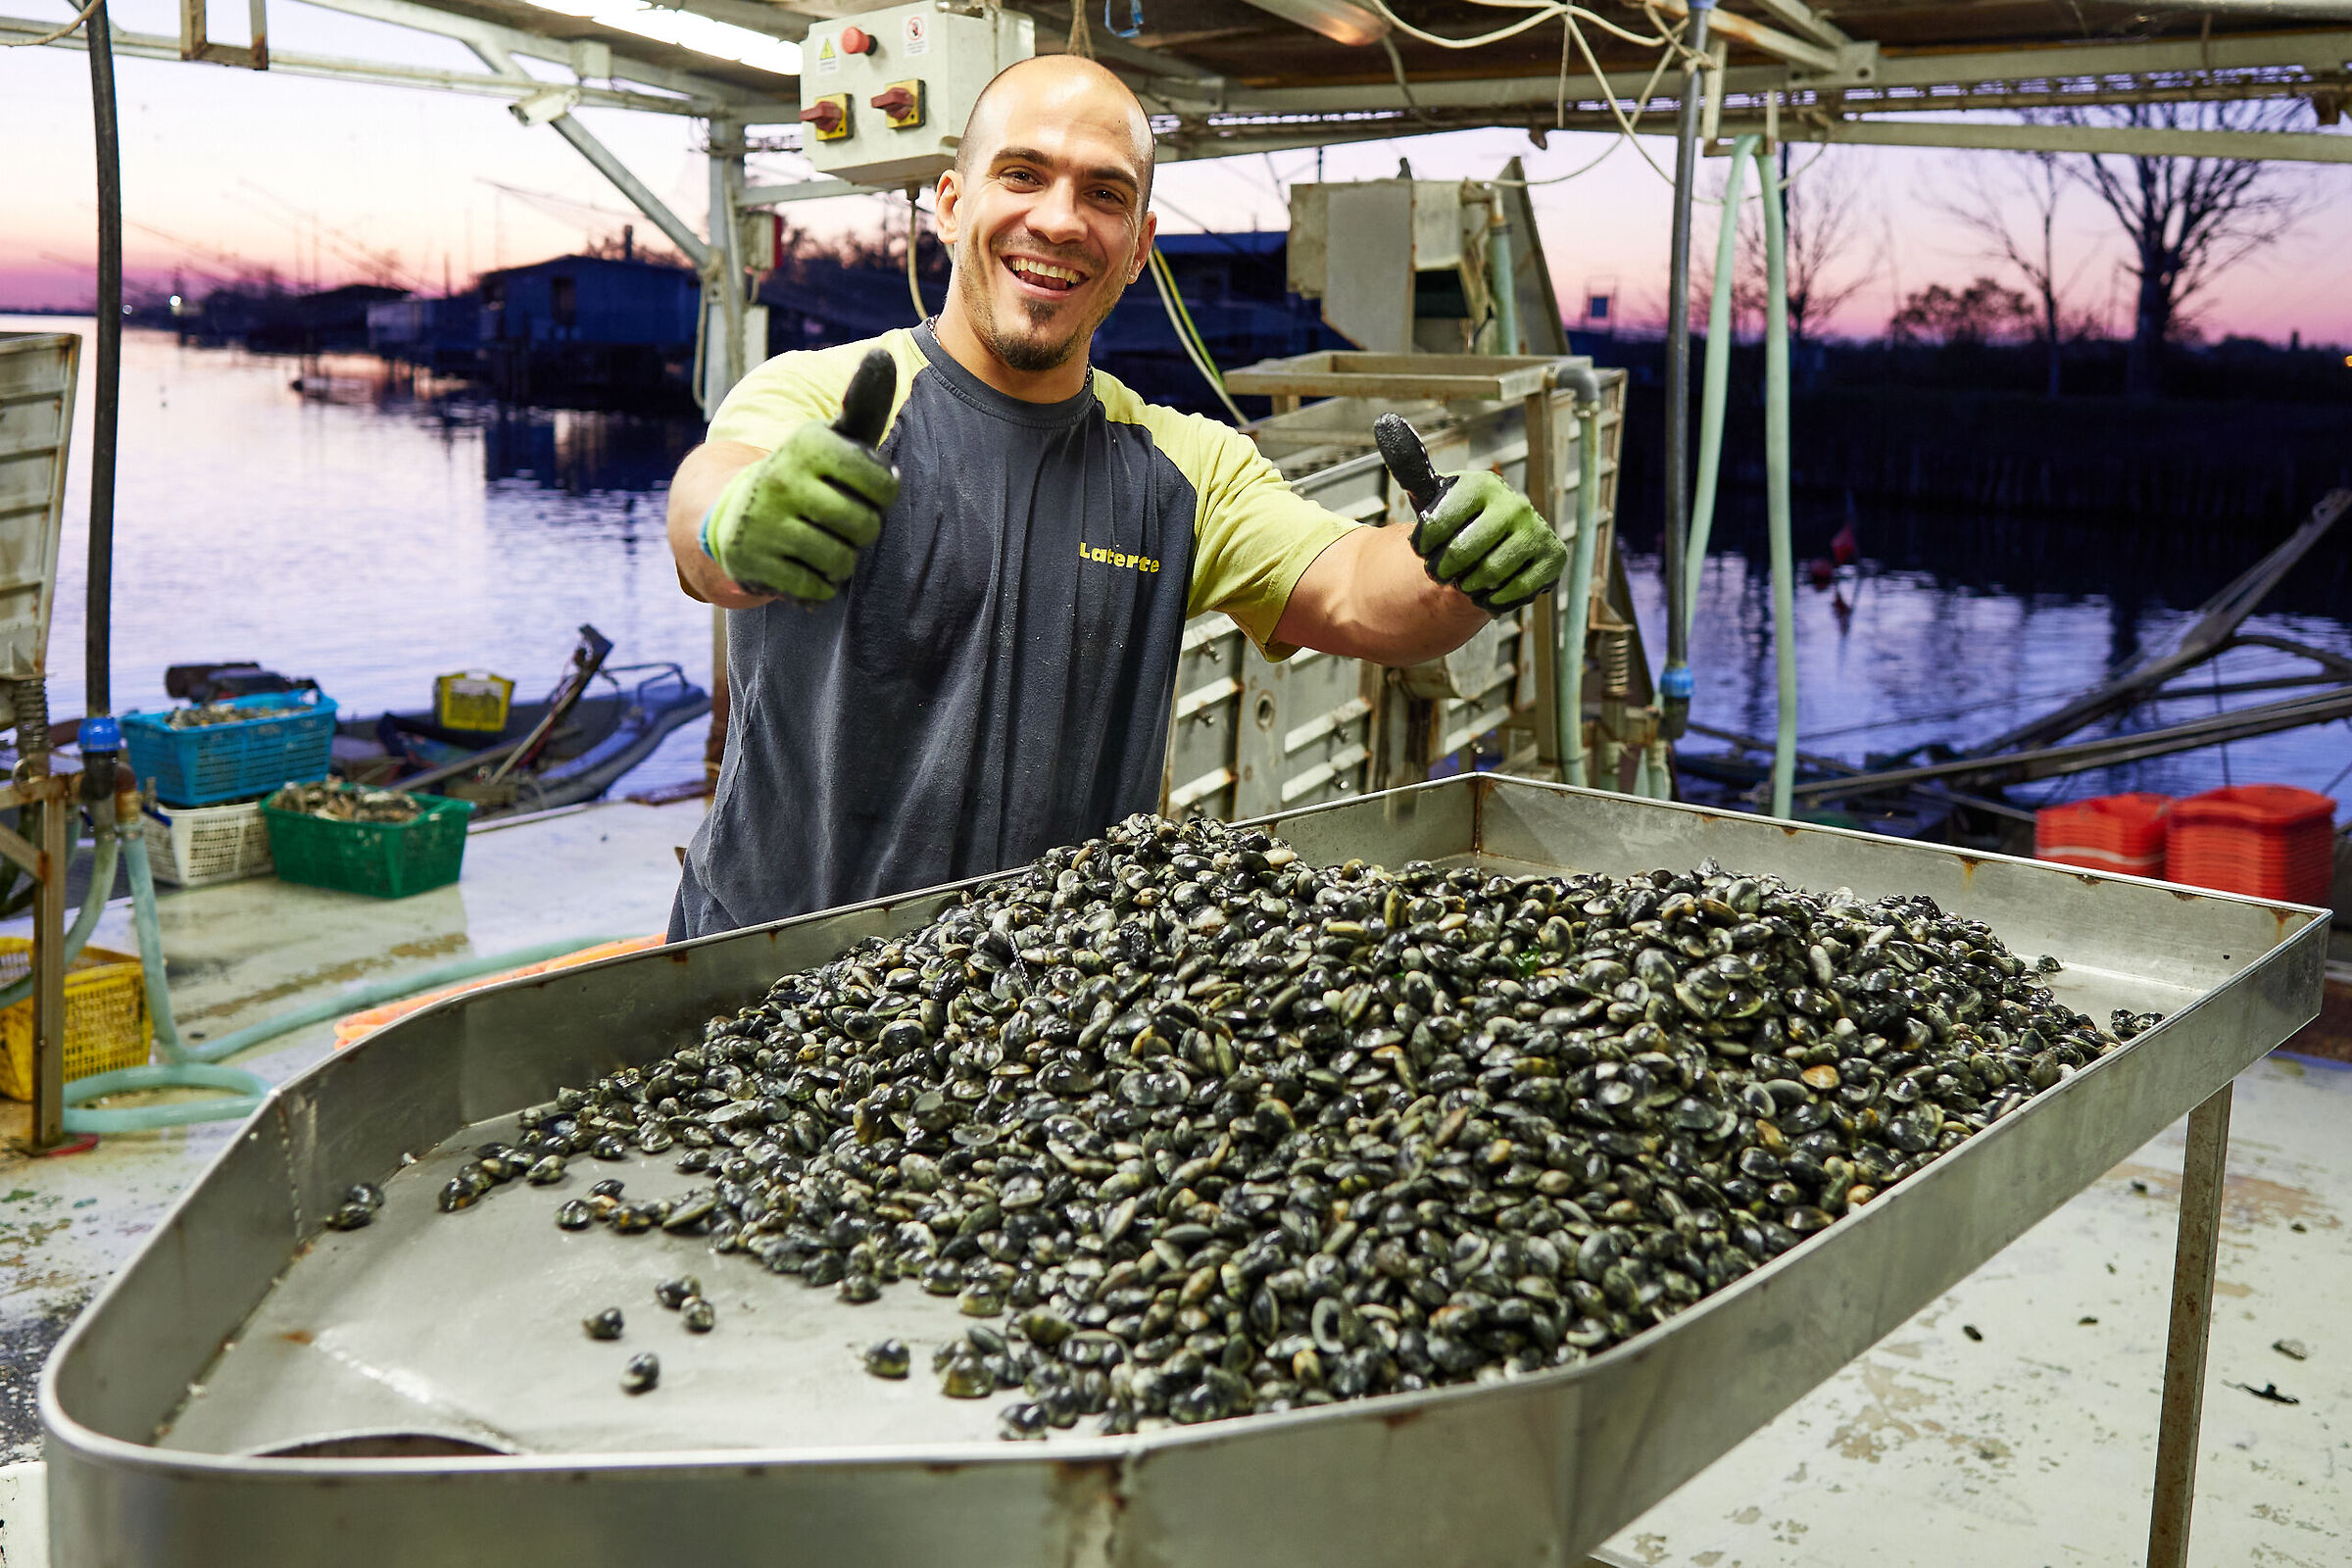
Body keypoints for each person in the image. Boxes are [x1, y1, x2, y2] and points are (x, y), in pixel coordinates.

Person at [663, 54, 1565, 940]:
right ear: (950, 203)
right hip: (762, 972)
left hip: (1041, 1008)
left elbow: (1361, 592)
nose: (1058, 221)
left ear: (1139, 248)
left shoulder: (1184, 465)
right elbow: (711, 507)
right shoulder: (826, 397)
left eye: (1104, 194)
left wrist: (1455, 566)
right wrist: (732, 523)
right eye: (1022, 175)